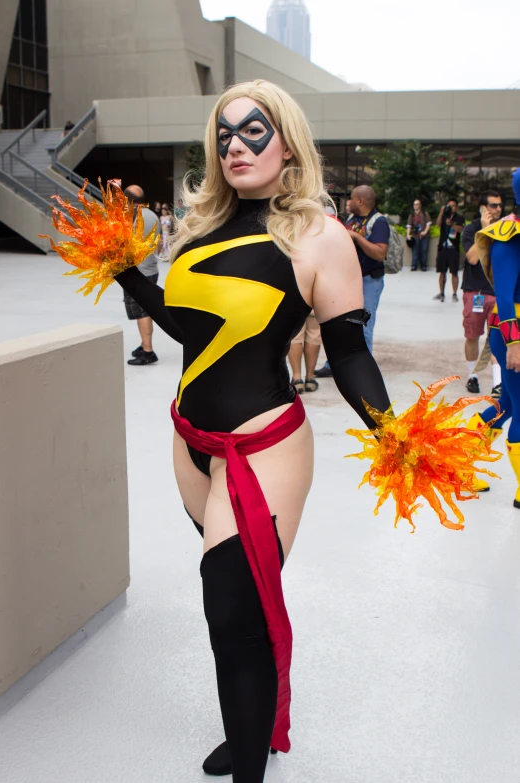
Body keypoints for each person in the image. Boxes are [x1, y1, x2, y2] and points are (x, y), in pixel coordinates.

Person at [114, 79, 391, 782]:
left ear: (288, 141)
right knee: (241, 603)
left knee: (229, 607)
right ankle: (251, 731)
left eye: (254, 130)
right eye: (225, 134)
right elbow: (189, 329)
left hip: (263, 449)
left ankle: (249, 760)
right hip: (189, 443)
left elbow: (349, 350)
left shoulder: (320, 236)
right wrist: (129, 276)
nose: (236, 144)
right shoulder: (199, 227)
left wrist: (395, 431)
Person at [467, 169, 520, 504]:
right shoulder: (507, 235)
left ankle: (461, 460)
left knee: (509, 404)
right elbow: (502, 295)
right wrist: (515, 343)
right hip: (511, 331)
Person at [461, 191, 503, 395]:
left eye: (500, 206)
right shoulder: (471, 230)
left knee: (497, 336)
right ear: (483, 209)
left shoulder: (504, 229)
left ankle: (497, 382)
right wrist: (485, 232)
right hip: (475, 292)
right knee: (472, 336)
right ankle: (473, 376)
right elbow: (472, 259)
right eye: (494, 206)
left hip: (498, 292)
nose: (498, 210)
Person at [344, 186, 389, 353]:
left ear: (360, 201)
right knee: (343, 324)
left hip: (369, 280)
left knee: (364, 326)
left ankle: (364, 369)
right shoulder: (352, 219)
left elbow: (379, 253)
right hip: (349, 281)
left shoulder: (378, 222)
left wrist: (356, 237)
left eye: (351, 198)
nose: (349, 201)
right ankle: (335, 363)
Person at [123, 186, 162, 366]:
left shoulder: (133, 218)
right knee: (146, 310)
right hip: (151, 268)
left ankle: (148, 351)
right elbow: (160, 244)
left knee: (141, 312)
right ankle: (144, 344)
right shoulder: (152, 215)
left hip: (138, 271)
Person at [434, 197, 464, 302]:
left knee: (454, 272)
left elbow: (460, 229)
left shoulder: (459, 217)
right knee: (442, 271)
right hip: (443, 247)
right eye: (449, 206)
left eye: (453, 206)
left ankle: (454, 294)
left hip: (453, 248)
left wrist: (451, 224)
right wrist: (441, 212)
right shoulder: (443, 216)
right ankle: (441, 292)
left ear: (456, 207)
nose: (451, 208)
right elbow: (437, 224)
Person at [287, 310, 321, 393]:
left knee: (295, 334)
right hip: (314, 299)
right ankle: (310, 379)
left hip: (295, 299)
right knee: (314, 333)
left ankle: (297, 379)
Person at [406, 198, 431, 271]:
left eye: (417, 204)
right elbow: (409, 226)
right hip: (415, 235)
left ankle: (424, 266)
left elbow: (428, 224)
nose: (415, 206)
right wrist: (408, 234)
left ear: (420, 205)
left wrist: (425, 231)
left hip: (424, 235)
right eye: (414, 204)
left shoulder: (424, 213)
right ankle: (414, 265)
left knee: (424, 250)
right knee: (415, 251)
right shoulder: (412, 215)